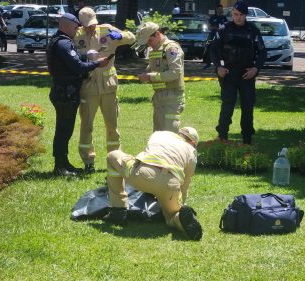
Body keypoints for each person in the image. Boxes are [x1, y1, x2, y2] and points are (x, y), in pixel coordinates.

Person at [104, 127, 202, 241]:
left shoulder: (160, 134)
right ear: (193, 143)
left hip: (143, 175)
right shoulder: (191, 151)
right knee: (171, 217)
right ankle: (179, 220)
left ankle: (118, 209)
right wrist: (181, 205)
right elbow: (185, 185)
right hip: (170, 184)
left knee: (112, 156)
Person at [46, 13, 109, 177]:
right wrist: (97, 63)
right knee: (63, 131)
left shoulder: (60, 41)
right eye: (75, 27)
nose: (77, 30)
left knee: (65, 130)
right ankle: (60, 167)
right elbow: (78, 67)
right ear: (65, 27)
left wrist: (86, 55)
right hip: (65, 93)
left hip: (65, 92)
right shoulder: (63, 44)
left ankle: (64, 163)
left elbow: (74, 61)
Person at [75, 7, 136, 173]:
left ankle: (115, 159)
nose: (91, 27)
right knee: (86, 126)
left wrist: (121, 36)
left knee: (112, 126)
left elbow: (132, 38)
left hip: (109, 87)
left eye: (93, 24)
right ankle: (88, 161)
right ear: (81, 24)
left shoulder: (107, 30)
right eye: (87, 25)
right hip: (88, 87)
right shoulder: (77, 35)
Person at [210, 1, 267, 145]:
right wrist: (218, 67)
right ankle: (222, 137)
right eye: (235, 14)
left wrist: (256, 69)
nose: (238, 17)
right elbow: (213, 50)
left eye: (241, 15)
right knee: (227, 106)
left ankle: (247, 140)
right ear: (232, 14)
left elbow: (262, 52)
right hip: (228, 73)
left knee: (247, 108)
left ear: (245, 15)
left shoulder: (253, 30)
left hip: (246, 74)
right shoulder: (224, 29)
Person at [136, 22, 185, 133]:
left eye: (150, 41)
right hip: (159, 97)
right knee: (158, 136)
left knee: (170, 135)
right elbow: (156, 67)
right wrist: (146, 74)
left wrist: (150, 77)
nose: (149, 44)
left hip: (172, 97)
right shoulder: (155, 50)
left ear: (157, 34)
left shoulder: (171, 48)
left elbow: (174, 73)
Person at [202, 4, 228, 69]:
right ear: (216, 10)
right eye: (219, 9)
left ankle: (223, 64)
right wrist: (215, 28)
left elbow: (227, 26)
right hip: (213, 34)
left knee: (223, 49)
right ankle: (208, 64)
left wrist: (222, 28)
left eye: (221, 9)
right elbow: (209, 26)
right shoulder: (213, 17)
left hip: (222, 35)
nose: (220, 10)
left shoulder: (224, 18)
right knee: (209, 47)